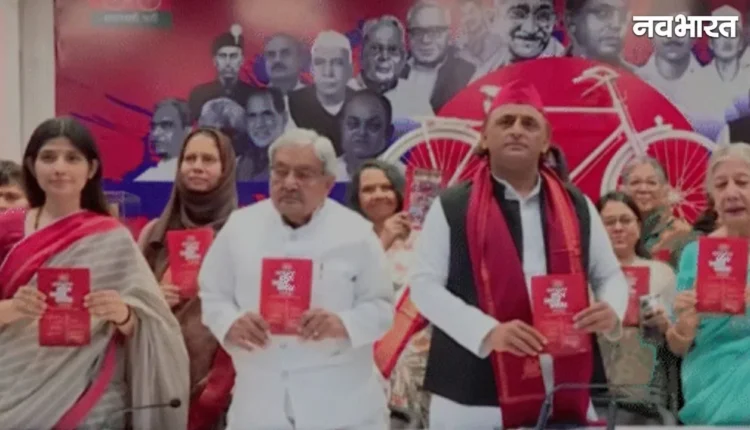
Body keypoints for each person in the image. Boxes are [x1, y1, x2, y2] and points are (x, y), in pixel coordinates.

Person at [406, 80, 629, 429]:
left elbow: (610, 275)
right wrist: (488, 332)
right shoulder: (452, 205)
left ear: (546, 140)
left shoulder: (577, 204)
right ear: (484, 137)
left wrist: (612, 308)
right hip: (471, 389)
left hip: (563, 388)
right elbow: (423, 286)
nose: (516, 130)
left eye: (529, 124)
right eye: (505, 121)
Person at [0, 117, 189, 429]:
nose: (59, 168)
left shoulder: (112, 237)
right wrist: (13, 308)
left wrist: (122, 314)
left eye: (72, 158)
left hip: (89, 395)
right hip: (12, 385)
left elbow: (153, 323)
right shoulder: (7, 227)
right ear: (32, 166)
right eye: (49, 157)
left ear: (91, 169)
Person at [198, 128, 393, 429]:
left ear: (328, 183)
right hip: (259, 404)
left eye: (303, 174)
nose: (289, 183)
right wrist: (229, 322)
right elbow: (212, 294)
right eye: (280, 171)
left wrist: (343, 323)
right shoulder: (240, 228)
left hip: (341, 407)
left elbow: (382, 308)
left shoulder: (356, 233)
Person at [138, 127, 238, 430]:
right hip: (157, 377)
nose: (197, 166)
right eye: (190, 158)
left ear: (226, 169)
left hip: (223, 387)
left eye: (208, 159)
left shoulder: (244, 233)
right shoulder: (153, 235)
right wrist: (151, 298)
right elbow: (128, 306)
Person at [667, 142, 750, 426]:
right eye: (721, 185)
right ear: (712, 197)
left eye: (742, 182)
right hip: (709, 377)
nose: (731, 193)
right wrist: (684, 325)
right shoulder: (695, 254)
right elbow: (678, 345)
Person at [347, 160, 431, 426]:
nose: (379, 195)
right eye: (368, 189)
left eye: (386, 187)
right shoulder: (348, 239)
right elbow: (345, 288)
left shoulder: (425, 237)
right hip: (363, 340)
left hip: (415, 341)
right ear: (357, 197)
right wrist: (383, 240)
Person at [596, 191, 677, 422]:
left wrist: (665, 326)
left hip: (648, 394)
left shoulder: (662, 273)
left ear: (639, 227)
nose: (618, 228)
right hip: (595, 393)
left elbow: (680, 339)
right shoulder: (586, 278)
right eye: (609, 222)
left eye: (626, 220)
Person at [619, 156, 696, 267]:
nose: (643, 189)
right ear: (623, 190)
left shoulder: (682, 234)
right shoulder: (615, 232)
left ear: (666, 190)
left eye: (651, 183)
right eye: (635, 182)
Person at [188, 25, 254, 123]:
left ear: (242, 60)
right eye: (223, 56)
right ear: (215, 61)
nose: (228, 62)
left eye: (233, 56)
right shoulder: (199, 94)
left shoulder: (253, 95)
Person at [134, 98, 191, 182]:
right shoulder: (146, 177)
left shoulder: (196, 175)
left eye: (166, 125)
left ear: (187, 131)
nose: (155, 134)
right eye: (153, 127)